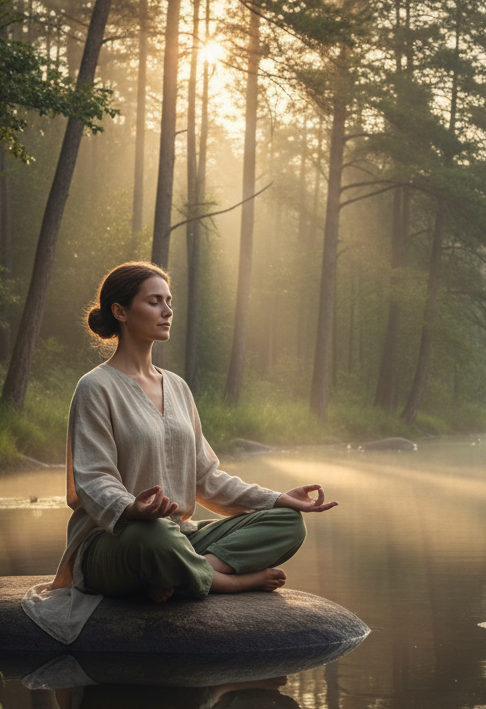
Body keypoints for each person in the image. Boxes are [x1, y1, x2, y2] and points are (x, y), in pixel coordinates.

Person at [22, 261, 337, 645]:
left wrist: (276, 499)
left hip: (177, 538)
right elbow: (92, 478)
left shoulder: (178, 388)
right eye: (154, 301)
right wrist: (132, 509)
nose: (168, 311)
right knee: (153, 536)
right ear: (120, 312)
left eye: (168, 301)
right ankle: (224, 582)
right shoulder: (95, 387)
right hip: (114, 541)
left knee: (287, 523)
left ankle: (181, 573)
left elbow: (206, 478)